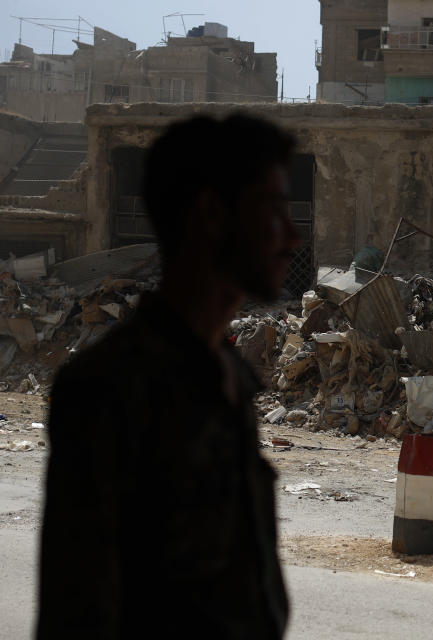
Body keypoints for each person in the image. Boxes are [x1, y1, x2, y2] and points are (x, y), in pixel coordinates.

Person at [37, 113, 301, 639]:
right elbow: (77, 613)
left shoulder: (230, 376)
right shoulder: (112, 387)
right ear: (210, 214)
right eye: (272, 208)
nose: (292, 237)